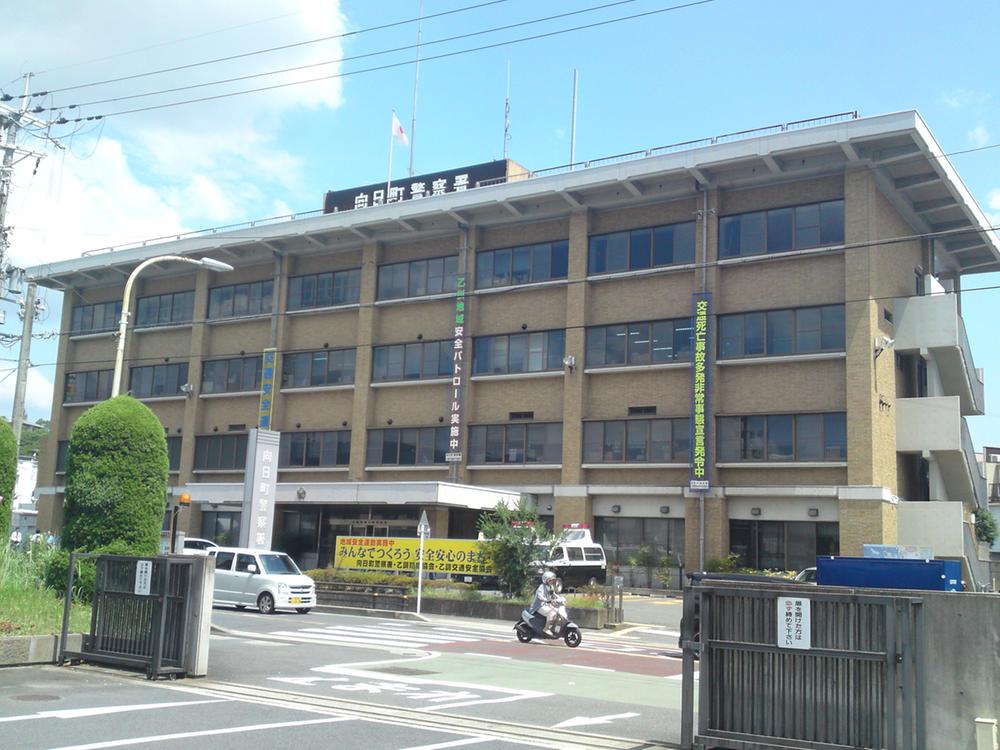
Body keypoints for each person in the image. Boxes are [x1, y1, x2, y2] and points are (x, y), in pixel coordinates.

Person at [529, 570, 562, 636]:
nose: (552, 581)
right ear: (545, 580)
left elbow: (553, 594)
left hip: (546, 605)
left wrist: (560, 598)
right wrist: (547, 600)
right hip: (538, 606)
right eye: (550, 580)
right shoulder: (541, 587)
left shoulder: (550, 587)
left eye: (553, 580)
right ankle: (546, 629)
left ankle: (552, 628)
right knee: (551, 613)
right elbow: (540, 596)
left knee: (558, 614)